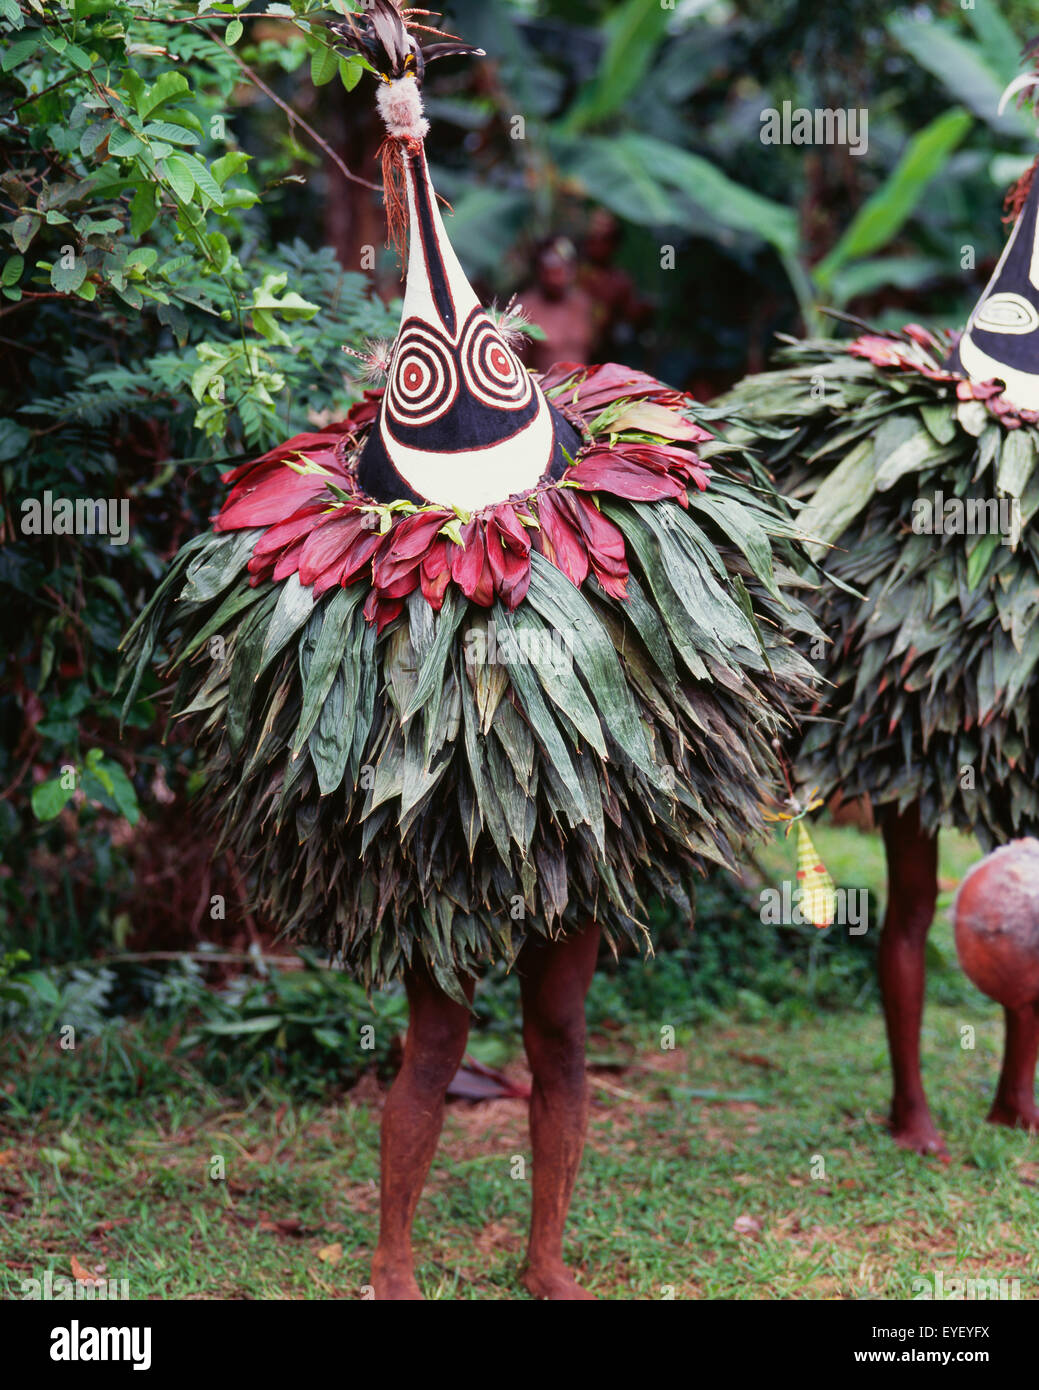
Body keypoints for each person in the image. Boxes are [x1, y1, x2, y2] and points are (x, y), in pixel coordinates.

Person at [120, 0, 818, 1298]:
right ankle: (391, 1262)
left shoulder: (587, 544)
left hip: (568, 819)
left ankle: (545, 1258)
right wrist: (400, 146)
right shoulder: (391, 585)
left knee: (559, 1024)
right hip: (446, 824)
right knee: (435, 1035)